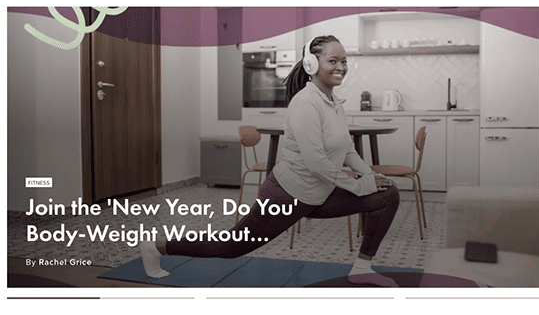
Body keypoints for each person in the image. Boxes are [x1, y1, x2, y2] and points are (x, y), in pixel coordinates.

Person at [140, 35, 400, 287]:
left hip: (320, 194)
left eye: (344, 61)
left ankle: (362, 270)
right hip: (288, 196)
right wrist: (359, 186)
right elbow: (317, 162)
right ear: (311, 64)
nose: (341, 67)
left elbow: (347, 150)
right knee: (231, 247)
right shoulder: (305, 103)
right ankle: (156, 247)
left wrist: (369, 177)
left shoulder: (333, 103)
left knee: (388, 194)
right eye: (333, 61)